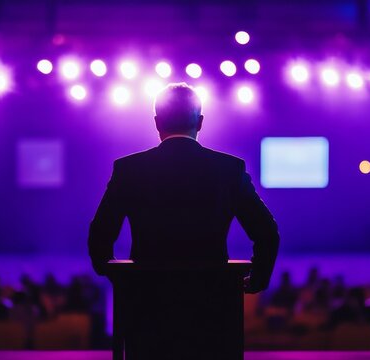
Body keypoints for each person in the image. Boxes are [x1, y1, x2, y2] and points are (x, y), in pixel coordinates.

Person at [88, 82, 280, 358]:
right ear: (200, 122)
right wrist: (259, 278)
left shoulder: (128, 169)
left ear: (157, 122)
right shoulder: (230, 169)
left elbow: (100, 233)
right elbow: (267, 232)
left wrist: (116, 276)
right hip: (213, 303)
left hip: (148, 303)